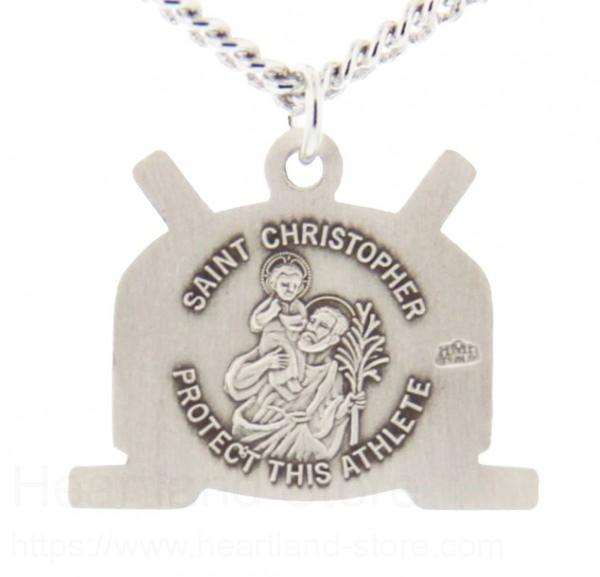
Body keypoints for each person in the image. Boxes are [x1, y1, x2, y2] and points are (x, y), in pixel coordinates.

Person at [225, 305, 366, 462]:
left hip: (294, 438)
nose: (312, 328)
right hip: (255, 426)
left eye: (322, 326)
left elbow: (322, 420)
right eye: (312, 321)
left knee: (317, 453)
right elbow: (236, 382)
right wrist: (265, 363)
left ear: (333, 338)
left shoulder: (332, 374)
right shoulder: (283, 348)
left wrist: (346, 406)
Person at [249, 261, 308, 400]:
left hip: (292, 338)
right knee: (285, 355)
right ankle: (279, 383)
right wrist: (270, 313)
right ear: (273, 284)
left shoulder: (299, 305)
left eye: (295, 286)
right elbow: (255, 324)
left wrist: (297, 324)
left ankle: (293, 382)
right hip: (273, 339)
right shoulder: (271, 303)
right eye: (285, 285)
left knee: (299, 355)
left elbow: (304, 321)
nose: (290, 290)